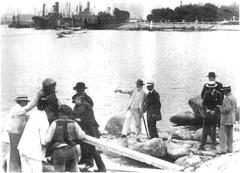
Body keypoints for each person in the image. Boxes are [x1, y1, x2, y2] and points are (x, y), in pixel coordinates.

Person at [45, 105, 86, 172]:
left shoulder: (55, 123)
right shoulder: (74, 123)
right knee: (73, 169)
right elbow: (82, 136)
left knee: (59, 170)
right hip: (72, 150)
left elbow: (47, 140)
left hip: (59, 151)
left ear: (60, 113)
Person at [6, 93, 41, 172]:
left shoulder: (20, 109)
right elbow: (26, 109)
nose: (26, 103)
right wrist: (36, 100)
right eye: (25, 102)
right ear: (21, 102)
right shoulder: (17, 109)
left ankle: (17, 169)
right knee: (15, 153)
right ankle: (13, 170)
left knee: (17, 152)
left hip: (17, 133)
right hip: (14, 133)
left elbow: (28, 116)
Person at [73, 95, 106, 172]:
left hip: (90, 130)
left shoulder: (83, 106)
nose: (75, 103)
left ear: (79, 99)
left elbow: (77, 114)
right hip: (89, 129)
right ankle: (90, 164)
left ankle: (101, 167)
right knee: (87, 148)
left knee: (91, 149)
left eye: (75, 101)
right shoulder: (85, 104)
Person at [17, 106, 49, 173]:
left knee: (26, 170)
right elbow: (44, 141)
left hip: (22, 147)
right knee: (37, 170)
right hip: (33, 152)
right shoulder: (44, 119)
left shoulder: (35, 114)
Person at [199, 81, 222, 150]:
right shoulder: (206, 93)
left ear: (214, 87)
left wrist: (214, 111)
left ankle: (214, 143)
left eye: (211, 88)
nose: (210, 89)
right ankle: (202, 144)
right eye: (209, 88)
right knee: (205, 129)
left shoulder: (218, 94)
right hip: (207, 114)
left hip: (215, 114)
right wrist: (206, 109)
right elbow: (203, 103)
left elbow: (219, 104)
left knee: (214, 128)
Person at [218, 86, 237, 154]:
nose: (223, 92)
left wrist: (220, 109)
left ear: (227, 91)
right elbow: (235, 108)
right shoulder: (234, 97)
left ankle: (223, 150)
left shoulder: (227, 99)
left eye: (224, 91)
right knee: (230, 135)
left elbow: (227, 109)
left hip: (225, 119)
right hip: (232, 119)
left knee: (223, 135)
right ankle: (230, 149)